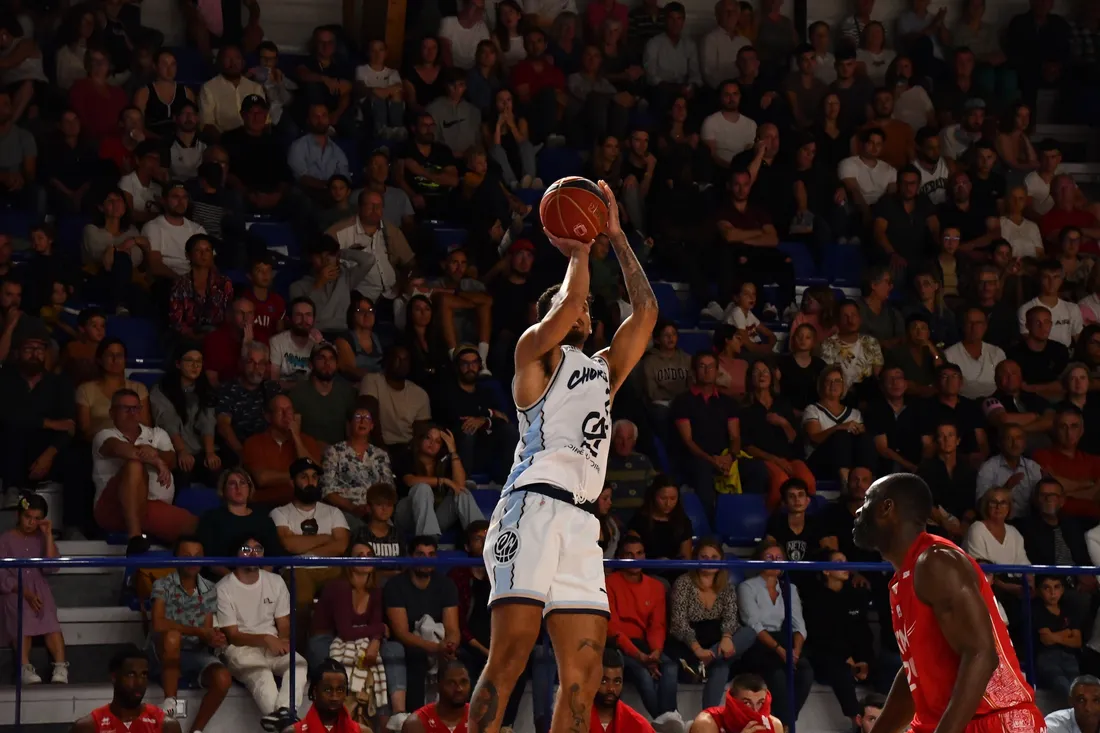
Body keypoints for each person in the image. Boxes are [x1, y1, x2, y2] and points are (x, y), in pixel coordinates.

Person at [472, 180, 657, 733]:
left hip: (581, 520)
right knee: (510, 657)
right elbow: (573, 299)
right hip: (529, 509)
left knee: (584, 670)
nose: (579, 309)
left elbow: (645, 313)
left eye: (581, 307)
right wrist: (578, 243)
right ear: (547, 313)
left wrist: (618, 239)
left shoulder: (600, 370)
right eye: (563, 305)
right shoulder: (532, 354)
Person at [851, 473, 1042, 733]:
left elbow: (982, 655)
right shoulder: (903, 578)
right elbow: (914, 676)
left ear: (887, 508)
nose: (858, 511)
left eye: (866, 501)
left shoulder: (936, 561)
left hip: (994, 720)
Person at [215, 535, 307, 731]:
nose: (253, 553)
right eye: (246, 549)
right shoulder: (224, 587)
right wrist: (266, 639)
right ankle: (288, 725)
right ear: (236, 555)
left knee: (298, 664)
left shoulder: (275, 581)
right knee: (262, 674)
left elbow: (283, 623)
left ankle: (285, 714)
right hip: (240, 648)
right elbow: (233, 635)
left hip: (272, 644)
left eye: (258, 549)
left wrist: (283, 640)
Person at [93, 389, 195, 554]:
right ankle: (135, 537)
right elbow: (120, 449)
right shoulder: (104, 435)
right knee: (134, 464)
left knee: (197, 529)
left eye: (135, 408)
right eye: (125, 408)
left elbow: (172, 460)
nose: (132, 413)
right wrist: (156, 461)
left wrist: (155, 454)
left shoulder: (157, 434)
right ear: (112, 412)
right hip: (114, 508)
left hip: (151, 507)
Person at [148, 536, 231, 726]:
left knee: (223, 678)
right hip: (162, 653)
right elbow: (159, 624)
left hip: (194, 653)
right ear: (176, 557)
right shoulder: (162, 585)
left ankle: (197, 730)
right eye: (187, 555)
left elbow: (206, 631)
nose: (193, 560)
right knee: (172, 637)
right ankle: (170, 702)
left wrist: (213, 638)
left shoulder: (209, 588)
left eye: (198, 556)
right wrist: (199, 632)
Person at [669, 538, 757, 708]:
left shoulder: (726, 586)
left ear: (721, 561)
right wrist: (698, 649)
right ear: (696, 559)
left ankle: (708, 718)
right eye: (704, 557)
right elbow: (678, 623)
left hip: (717, 644)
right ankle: (710, 719)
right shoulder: (683, 583)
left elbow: (731, 617)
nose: (709, 562)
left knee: (749, 633)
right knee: (722, 666)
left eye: (714, 557)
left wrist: (726, 636)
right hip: (691, 648)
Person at [308, 545, 390, 726]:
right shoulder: (340, 587)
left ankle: (383, 724)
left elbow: (374, 624)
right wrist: (381, 628)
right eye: (359, 555)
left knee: (386, 659)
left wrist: (376, 640)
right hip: (325, 637)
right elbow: (345, 631)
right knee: (331, 673)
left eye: (369, 555)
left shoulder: (375, 589)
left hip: (356, 637)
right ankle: (330, 723)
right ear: (349, 562)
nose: (365, 559)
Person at [736, 540, 814, 728]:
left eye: (779, 558)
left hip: (782, 638)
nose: (774, 561)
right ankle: (785, 726)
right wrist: (780, 651)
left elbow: (799, 624)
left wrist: (795, 651)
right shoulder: (747, 587)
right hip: (758, 642)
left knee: (805, 671)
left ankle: (785, 723)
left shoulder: (790, 588)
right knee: (777, 673)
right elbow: (754, 624)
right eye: (769, 557)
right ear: (759, 561)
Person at [272, 457, 351, 632]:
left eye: (314, 477)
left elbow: (341, 546)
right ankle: (300, 652)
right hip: (297, 569)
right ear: (292, 482)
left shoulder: (333, 511)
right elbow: (289, 544)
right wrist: (326, 537)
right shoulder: (280, 512)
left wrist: (304, 545)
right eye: (304, 477)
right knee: (301, 598)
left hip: (332, 567)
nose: (311, 482)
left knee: (348, 589)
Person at [383, 536, 461, 710]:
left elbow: (453, 628)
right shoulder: (396, 585)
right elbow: (402, 633)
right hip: (411, 644)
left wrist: (450, 646)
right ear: (410, 556)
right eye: (420, 554)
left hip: (438, 642)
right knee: (415, 659)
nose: (426, 559)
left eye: (431, 554)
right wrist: (435, 649)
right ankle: (416, 719)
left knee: (463, 660)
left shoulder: (446, 584)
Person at [606, 534, 678, 718]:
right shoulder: (609, 583)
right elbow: (613, 629)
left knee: (670, 667)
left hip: (645, 645)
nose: (635, 558)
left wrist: (655, 653)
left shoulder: (656, 586)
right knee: (643, 674)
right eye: (629, 554)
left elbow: (657, 625)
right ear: (619, 557)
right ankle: (667, 723)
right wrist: (640, 657)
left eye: (639, 553)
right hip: (618, 646)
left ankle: (666, 722)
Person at [803, 549, 875, 725]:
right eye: (838, 563)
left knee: (887, 669)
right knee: (839, 669)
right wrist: (846, 659)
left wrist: (864, 660)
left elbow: (863, 633)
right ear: (826, 570)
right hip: (827, 657)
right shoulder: (815, 599)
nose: (845, 566)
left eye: (846, 561)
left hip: (855, 658)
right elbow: (820, 637)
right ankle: (857, 722)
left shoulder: (856, 595)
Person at [1, 493, 66, 685]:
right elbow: (1, 574)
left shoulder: (41, 537)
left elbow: (51, 567)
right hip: (13, 589)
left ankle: (60, 666)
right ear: (19, 516)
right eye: (27, 517)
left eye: (37, 519)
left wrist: (47, 535)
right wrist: (24, 592)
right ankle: (24, 667)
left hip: (39, 589)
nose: (31, 522)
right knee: (23, 615)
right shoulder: (5, 539)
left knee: (50, 618)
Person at [397, 422, 483, 538]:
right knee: (422, 488)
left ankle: (482, 539)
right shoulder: (407, 455)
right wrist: (444, 481)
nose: (432, 444)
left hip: (434, 518)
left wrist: (452, 451)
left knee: (461, 492)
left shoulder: (443, 461)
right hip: (407, 515)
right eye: (428, 438)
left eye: (437, 442)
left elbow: (459, 485)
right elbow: (410, 481)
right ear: (420, 438)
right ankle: (428, 542)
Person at [68, 647, 182, 733]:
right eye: (131, 675)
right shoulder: (88, 727)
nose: (139, 682)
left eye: (144, 675)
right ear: (114, 677)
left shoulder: (166, 726)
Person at [150, 347, 220, 486]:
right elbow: (169, 422)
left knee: (216, 470)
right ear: (178, 364)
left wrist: (210, 453)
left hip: (200, 448)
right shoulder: (162, 389)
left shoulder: (205, 388)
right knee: (182, 472)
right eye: (190, 361)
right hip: (173, 448)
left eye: (199, 362)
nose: (195, 366)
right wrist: (182, 451)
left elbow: (207, 421)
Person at [195, 468, 283, 578]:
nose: (238, 488)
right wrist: (237, 582)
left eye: (243, 483)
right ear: (223, 490)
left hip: (261, 581)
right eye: (232, 484)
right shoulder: (211, 518)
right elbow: (211, 561)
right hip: (223, 582)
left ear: (249, 488)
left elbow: (273, 557)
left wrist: (259, 580)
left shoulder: (263, 519)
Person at [1033, 575, 1085, 701]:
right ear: (1039, 590)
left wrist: (1054, 636)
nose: (1052, 593)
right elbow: (1046, 640)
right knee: (1063, 686)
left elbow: (1077, 641)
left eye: (1057, 587)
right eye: (1047, 588)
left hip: (1070, 657)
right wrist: (1066, 633)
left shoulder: (1068, 608)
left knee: (1079, 689)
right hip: (1047, 657)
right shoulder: (1036, 609)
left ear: (1062, 589)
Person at [285, 658, 370, 733]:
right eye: (327, 690)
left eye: (340, 690)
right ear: (315, 691)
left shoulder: (363, 732)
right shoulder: (294, 732)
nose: (334, 696)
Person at [687, 672, 784, 733]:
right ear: (733, 701)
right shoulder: (707, 723)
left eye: (760, 703)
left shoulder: (774, 725)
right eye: (747, 703)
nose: (755, 711)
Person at [591, 648, 654, 733]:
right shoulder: (572, 721)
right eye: (604, 681)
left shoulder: (638, 725)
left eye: (617, 682)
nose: (611, 688)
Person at [402, 661, 471, 733]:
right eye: (451, 683)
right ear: (437, 686)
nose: (459, 689)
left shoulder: (480, 719)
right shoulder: (416, 724)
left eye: (464, 682)